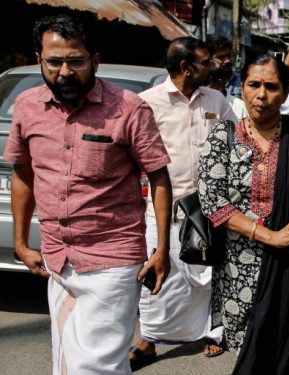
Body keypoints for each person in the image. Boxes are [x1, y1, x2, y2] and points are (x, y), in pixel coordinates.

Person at [4, 14, 173, 374]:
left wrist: (161, 250)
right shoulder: (27, 107)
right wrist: (20, 242)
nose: (65, 72)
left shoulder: (129, 108)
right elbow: (23, 172)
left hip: (114, 258)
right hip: (57, 258)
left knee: (95, 365)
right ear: (40, 60)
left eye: (76, 61)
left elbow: (159, 176)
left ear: (95, 60)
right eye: (54, 62)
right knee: (68, 359)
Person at [131, 36, 236, 369]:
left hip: (209, 208)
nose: (214, 66)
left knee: (209, 276)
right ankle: (148, 342)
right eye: (206, 62)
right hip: (163, 211)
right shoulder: (146, 103)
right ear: (186, 67)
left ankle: (212, 333)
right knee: (161, 278)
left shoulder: (217, 100)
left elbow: (235, 140)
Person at [198, 53, 289, 374]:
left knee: (286, 350)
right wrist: (270, 235)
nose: (262, 94)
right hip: (239, 267)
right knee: (249, 353)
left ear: (285, 93)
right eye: (253, 84)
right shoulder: (223, 135)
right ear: (241, 89)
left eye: (271, 86)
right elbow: (212, 200)